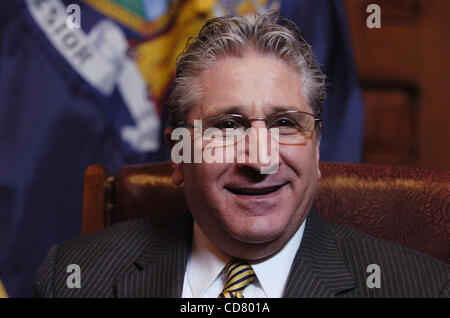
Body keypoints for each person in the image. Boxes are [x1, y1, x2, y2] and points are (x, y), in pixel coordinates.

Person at [34, 10, 449, 298]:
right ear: (178, 155)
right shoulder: (74, 278)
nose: (261, 158)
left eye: (285, 124)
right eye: (227, 126)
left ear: (317, 150)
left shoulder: (421, 288)